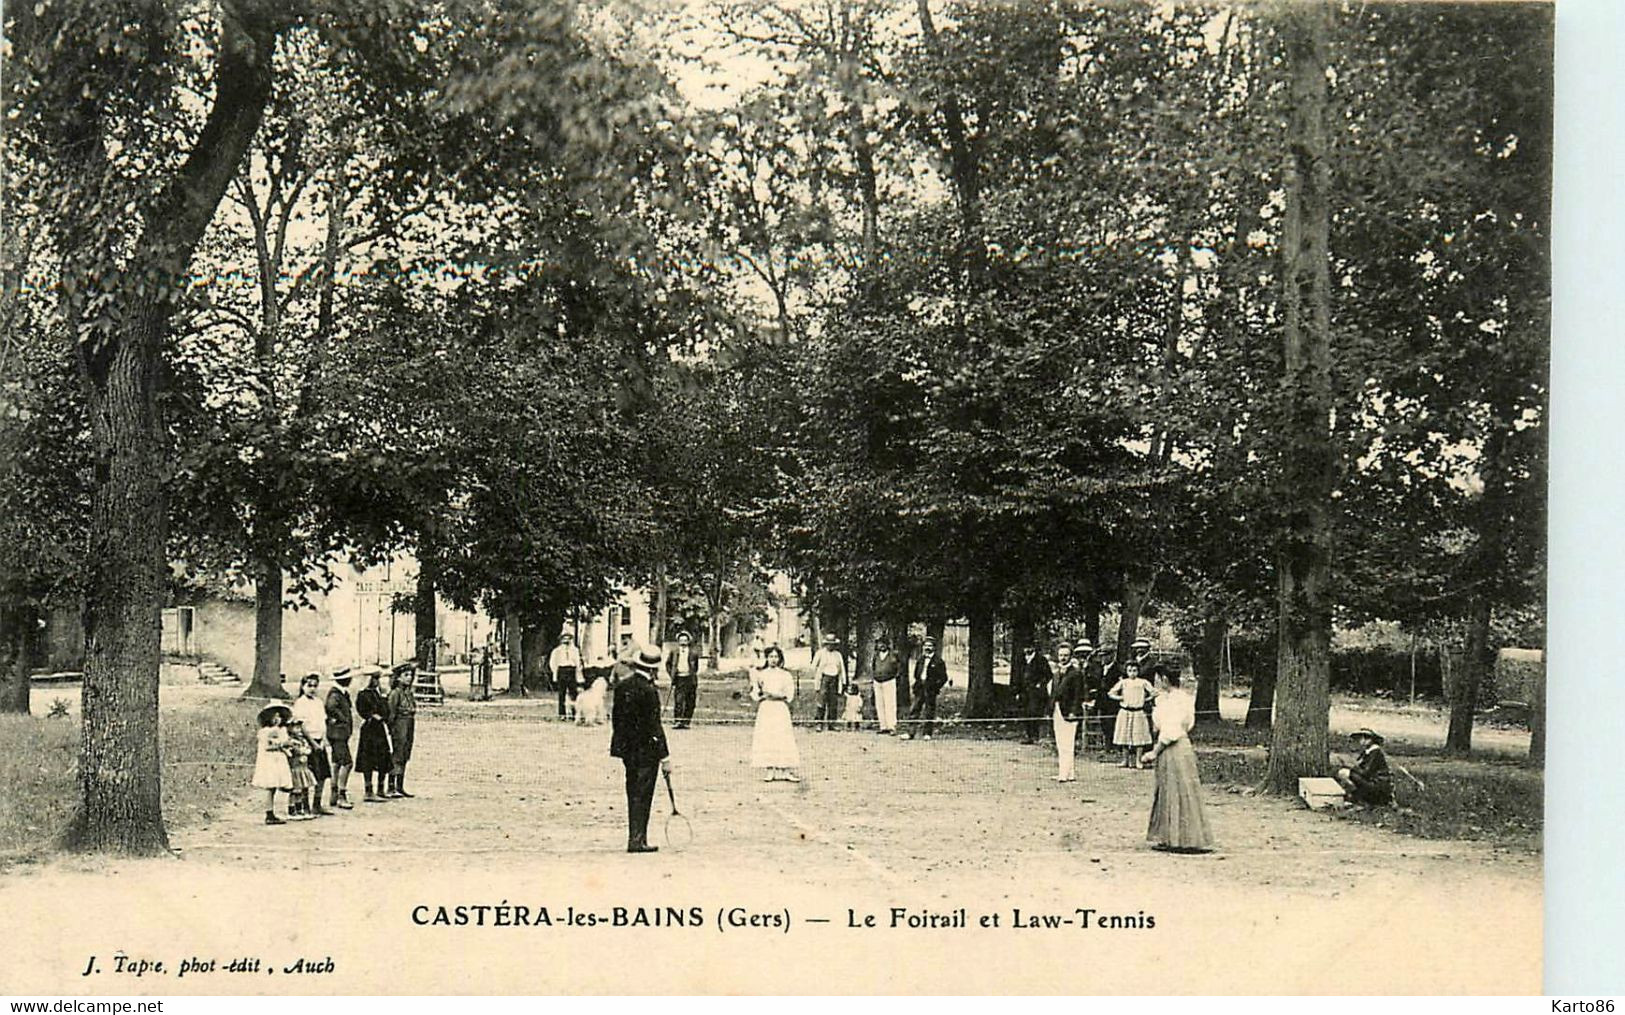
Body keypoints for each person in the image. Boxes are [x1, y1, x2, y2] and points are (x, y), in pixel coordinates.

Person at [1143, 666, 1214, 852]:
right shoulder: (1169, 699)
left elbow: (1171, 730)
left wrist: (1154, 752)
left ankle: (1185, 839)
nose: (1155, 683)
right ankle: (1170, 837)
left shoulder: (1175, 700)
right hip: (1175, 747)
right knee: (1169, 791)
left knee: (1180, 791)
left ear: (1165, 679)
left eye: (1157, 679)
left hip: (1174, 747)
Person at [610, 644, 671, 853]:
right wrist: (665, 756)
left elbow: (616, 719)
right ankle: (638, 839)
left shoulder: (622, 686)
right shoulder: (649, 691)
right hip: (646, 751)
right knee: (643, 794)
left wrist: (621, 744)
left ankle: (635, 837)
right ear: (653, 669)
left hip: (628, 749)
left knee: (632, 791)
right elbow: (655, 726)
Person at [750, 646, 800, 782]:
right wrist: (761, 695)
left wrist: (777, 695)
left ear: (780, 659)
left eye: (776, 657)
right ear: (766, 658)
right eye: (771, 656)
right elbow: (755, 692)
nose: (773, 659)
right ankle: (770, 770)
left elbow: (789, 695)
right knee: (768, 737)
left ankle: (786, 771)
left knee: (782, 737)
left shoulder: (785, 675)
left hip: (780, 709)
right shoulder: (761, 674)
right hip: (766, 709)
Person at [291, 673, 334, 816]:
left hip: (319, 741)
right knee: (307, 775)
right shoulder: (300, 703)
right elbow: (301, 726)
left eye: (315, 686)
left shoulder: (319, 702)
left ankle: (317, 803)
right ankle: (305, 804)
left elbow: (322, 722)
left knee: (322, 775)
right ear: (302, 686)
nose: (312, 689)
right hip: (307, 743)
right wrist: (312, 742)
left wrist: (323, 740)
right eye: (309, 685)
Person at [354, 667, 393, 802]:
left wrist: (383, 697)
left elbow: (385, 711)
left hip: (379, 729)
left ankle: (381, 788)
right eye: (374, 678)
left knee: (383, 757)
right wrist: (371, 716)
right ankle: (368, 790)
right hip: (369, 730)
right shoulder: (363, 694)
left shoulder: (378, 694)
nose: (377, 681)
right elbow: (362, 710)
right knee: (368, 760)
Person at [1108, 658, 1155, 768]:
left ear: (1138, 671)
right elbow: (1111, 693)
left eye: (1134, 670)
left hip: (1138, 712)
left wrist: (1146, 699)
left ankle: (1138, 761)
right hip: (1125, 712)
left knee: (1139, 737)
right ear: (1126, 671)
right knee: (1124, 736)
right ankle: (1125, 760)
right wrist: (1121, 697)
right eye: (1129, 670)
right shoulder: (1123, 682)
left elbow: (1154, 692)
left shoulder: (1143, 682)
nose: (1132, 673)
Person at [900, 637, 949, 741]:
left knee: (929, 711)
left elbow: (943, 678)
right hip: (920, 688)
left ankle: (927, 733)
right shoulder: (921, 660)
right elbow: (916, 673)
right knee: (914, 709)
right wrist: (918, 683)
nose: (927, 648)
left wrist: (935, 686)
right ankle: (910, 732)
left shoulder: (939, 661)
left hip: (930, 689)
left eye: (930, 646)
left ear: (934, 648)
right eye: (926, 645)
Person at [252, 705, 293, 825]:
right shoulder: (265, 732)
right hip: (269, 760)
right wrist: (281, 745)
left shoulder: (281, 730)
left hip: (278, 759)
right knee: (270, 786)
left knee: (276, 786)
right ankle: (269, 813)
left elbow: (286, 742)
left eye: (279, 716)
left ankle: (273, 812)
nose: (277, 719)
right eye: (274, 716)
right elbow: (267, 747)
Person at [1049, 642, 1085, 782]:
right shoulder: (1056, 673)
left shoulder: (1076, 673)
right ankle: (1066, 772)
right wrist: (1050, 709)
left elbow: (1078, 694)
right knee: (1060, 742)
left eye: (1066, 655)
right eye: (1061, 655)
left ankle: (1066, 773)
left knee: (1067, 743)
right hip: (1057, 709)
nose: (1063, 658)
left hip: (1069, 711)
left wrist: (1074, 711)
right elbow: (1053, 693)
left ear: (1070, 656)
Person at [1335, 728, 1394, 806]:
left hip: (1377, 785)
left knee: (1344, 773)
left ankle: (1359, 797)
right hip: (1373, 782)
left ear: (1369, 739)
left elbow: (1366, 772)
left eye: (1361, 738)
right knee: (1345, 773)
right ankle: (1355, 796)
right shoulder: (1370, 751)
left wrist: (1351, 766)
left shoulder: (1375, 752)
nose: (1360, 741)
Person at [325, 668, 356, 810]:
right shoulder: (335, 694)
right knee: (347, 763)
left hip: (341, 733)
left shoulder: (342, 693)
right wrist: (342, 719)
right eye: (348, 678)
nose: (350, 680)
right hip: (337, 734)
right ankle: (341, 794)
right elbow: (330, 708)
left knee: (337, 762)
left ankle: (334, 792)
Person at [386, 662, 418, 798]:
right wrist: (392, 729)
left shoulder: (408, 693)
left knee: (405, 753)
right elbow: (391, 713)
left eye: (410, 675)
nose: (409, 678)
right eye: (406, 675)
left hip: (409, 723)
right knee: (397, 754)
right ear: (398, 677)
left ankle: (400, 786)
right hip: (399, 725)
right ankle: (391, 786)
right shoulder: (395, 694)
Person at [1017, 642, 1053, 745]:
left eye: (1029, 647)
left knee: (1035, 712)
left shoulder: (1041, 660)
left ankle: (1036, 735)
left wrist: (1040, 684)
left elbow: (1048, 675)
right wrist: (1018, 691)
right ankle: (1028, 736)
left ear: (1033, 648)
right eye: (1025, 647)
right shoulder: (1021, 660)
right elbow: (1018, 676)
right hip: (1025, 692)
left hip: (1037, 693)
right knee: (1025, 712)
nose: (1027, 650)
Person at [810, 633, 848, 731]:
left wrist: (844, 681)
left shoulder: (838, 654)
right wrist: (817, 676)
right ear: (825, 644)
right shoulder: (820, 653)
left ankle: (832, 723)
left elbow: (842, 668)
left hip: (834, 679)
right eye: (828, 644)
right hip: (824, 679)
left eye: (832, 644)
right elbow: (813, 666)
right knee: (821, 701)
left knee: (833, 702)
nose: (830, 646)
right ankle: (819, 723)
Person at [284, 718, 318, 819]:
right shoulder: (290, 741)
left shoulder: (302, 740)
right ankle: (291, 810)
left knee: (302, 789)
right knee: (295, 791)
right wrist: (299, 750)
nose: (298, 730)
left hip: (303, 767)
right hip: (295, 768)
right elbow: (291, 753)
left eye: (299, 728)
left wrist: (306, 750)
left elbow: (308, 749)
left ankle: (300, 810)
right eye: (296, 728)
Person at [666, 631, 700, 730]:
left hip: (690, 678)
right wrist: (672, 674)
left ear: (688, 641)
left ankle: (686, 721)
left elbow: (696, 666)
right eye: (681, 640)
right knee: (679, 700)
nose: (683, 642)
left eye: (685, 640)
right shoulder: (674, 652)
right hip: (679, 678)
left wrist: (692, 673)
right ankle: (677, 721)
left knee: (690, 701)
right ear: (678, 641)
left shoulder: (693, 653)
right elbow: (668, 664)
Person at [550, 632, 583, 720]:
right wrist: (555, 674)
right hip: (562, 671)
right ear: (561, 640)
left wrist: (578, 675)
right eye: (564, 639)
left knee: (573, 693)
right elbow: (553, 663)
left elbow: (578, 663)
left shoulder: (575, 650)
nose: (566, 641)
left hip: (571, 671)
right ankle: (562, 714)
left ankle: (574, 713)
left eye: (568, 639)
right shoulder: (557, 651)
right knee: (562, 694)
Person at [872, 637, 900, 735]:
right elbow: (873, 666)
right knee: (880, 704)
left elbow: (898, 668)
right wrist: (875, 676)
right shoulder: (876, 655)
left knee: (890, 703)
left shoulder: (893, 655)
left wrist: (893, 676)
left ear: (887, 645)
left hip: (889, 681)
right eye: (880, 644)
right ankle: (883, 726)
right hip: (877, 681)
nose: (881, 646)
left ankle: (891, 726)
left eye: (884, 643)